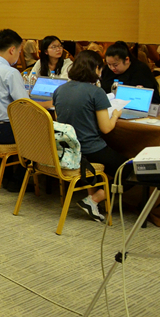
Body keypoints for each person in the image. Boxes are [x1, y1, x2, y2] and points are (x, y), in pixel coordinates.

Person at [53, 50, 130, 222]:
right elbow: (106, 128)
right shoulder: (96, 92)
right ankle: (94, 199)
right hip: (91, 148)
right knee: (132, 171)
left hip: (70, 149)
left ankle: (92, 200)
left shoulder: (60, 90)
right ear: (96, 69)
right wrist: (115, 115)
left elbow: (60, 121)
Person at [0, 29, 52, 191]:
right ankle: (18, 180)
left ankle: (7, 177)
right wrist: (49, 103)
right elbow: (25, 105)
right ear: (12, 50)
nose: (19, 55)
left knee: (22, 126)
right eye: (19, 51)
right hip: (1, 131)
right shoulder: (10, 72)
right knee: (41, 133)